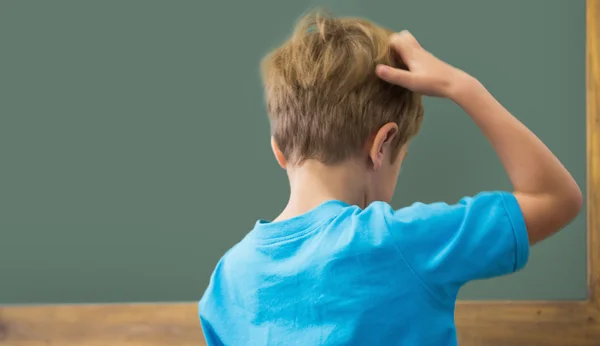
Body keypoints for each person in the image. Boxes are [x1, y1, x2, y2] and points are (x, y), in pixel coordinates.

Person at [199, 11, 582, 346]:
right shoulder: (400, 242)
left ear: (278, 150)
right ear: (382, 145)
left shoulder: (225, 282)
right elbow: (556, 198)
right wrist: (461, 86)